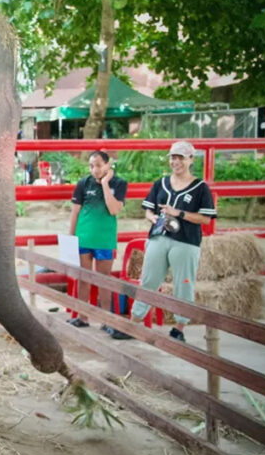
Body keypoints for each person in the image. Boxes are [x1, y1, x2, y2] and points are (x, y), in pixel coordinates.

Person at [110, 140, 216, 342]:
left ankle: (179, 328)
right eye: (173, 158)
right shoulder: (161, 183)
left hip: (185, 241)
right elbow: (149, 210)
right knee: (148, 280)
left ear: (191, 159)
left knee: (183, 283)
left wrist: (179, 214)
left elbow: (205, 218)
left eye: (181, 158)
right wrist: (156, 219)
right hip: (159, 237)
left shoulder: (200, 188)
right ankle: (134, 323)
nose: (176, 162)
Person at [66, 151, 127, 331]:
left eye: (99, 165)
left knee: (103, 280)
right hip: (84, 236)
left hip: (105, 239)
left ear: (108, 165)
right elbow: (75, 211)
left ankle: (106, 319)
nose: (95, 170)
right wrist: (71, 238)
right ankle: (82, 317)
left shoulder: (119, 183)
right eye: (92, 166)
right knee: (83, 278)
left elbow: (114, 209)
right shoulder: (84, 183)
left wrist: (106, 184)